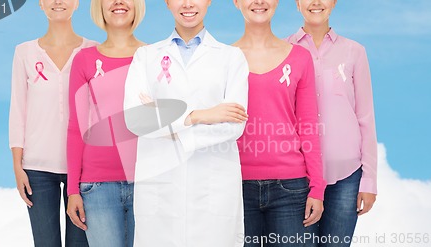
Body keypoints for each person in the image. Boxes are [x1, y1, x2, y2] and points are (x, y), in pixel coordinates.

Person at [123, 0, 249, 246]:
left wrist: (164, 121)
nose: (188, 4)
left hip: (213, 189)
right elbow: (136, 119)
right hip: (161, 189)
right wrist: (200, 116)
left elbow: (233, 124)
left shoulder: (231, 58)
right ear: (168, 3)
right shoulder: (146, 56)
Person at [233, 0, 326, 246]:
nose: (259, 2)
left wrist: (317, 187)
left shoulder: (300, 58)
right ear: (236, 2)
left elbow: (308, 126)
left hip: (292, 190)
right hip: (234, 187)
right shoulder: (225, 59)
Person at [287, 0, 378, 246]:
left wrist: (369, 180)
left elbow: (366, 117)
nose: (316, 3)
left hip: (347, 176)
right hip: (297, 177)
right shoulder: (284, 50)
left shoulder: (354, 51)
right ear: (297, 4)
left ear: (334, 2)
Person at [9, 0, 96, 246]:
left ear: (77, 3)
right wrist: (17, 166)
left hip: (83, 168)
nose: (58, 2)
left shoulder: (93, 51)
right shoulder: (24, 52)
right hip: (36, 169)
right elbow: (18, 111)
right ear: (41, 4)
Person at [65, 0, 146, 246]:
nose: (119, 2)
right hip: (97, 187)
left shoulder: (154, 57)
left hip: (147, 183)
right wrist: (72, 191)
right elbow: (75, 127)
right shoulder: (84, 59)